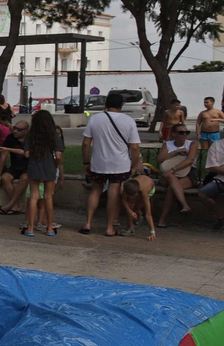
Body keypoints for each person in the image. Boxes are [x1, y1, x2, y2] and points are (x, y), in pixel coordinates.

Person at [80, 91, 142, 236]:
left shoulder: (95, 119)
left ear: (106, 104)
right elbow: (134, 147)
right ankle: (109, 227)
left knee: (95, 190)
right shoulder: (128, 121)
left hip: (98, 163)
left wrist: (86, 162)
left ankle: (88, 223)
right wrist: (134, 165)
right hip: (119, 164)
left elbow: (86, 143)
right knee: (113, 193)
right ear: (122, 105)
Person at [22, 109, 63, 237]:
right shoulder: (54, 136)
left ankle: (30, 228)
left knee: (34, 196)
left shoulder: (30, 136)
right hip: (49, 166)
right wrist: (55, 165)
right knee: (48, 197)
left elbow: (26, 154)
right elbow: (58, 156)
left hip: (34, 166)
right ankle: (49, 228)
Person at [156, 124, 199, 227]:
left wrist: (173, 170)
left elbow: (190, 160)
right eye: (181, 132)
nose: (184, 135)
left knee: (172, 187)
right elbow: (160, 159)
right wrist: (176, 152)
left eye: (186, 132)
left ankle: (162, 218)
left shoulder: (192, 144)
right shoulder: (167, 145)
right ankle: (184, 205)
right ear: (174, 134)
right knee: (172, 178)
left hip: (187, 174)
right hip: (168, 175)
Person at [0, 118, 31, 216]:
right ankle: (15, 206)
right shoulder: (10, 138)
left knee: (24, 178)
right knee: (5, 178)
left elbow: (28, 154)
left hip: (29, 166)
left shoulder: (31, 139)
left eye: (19, 129)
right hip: (15, 166)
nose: (15, 131)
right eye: (14, 128)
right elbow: (3, 156)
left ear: (26, 131)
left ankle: (11, 204)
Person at [117, 176, 158, 240]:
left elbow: (148, 214)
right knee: (130, 204)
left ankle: (138, 213)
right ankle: (130, 227)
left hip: (149, 188)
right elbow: (124, 199)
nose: (131, 198)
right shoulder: (127, 187)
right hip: (137, 186)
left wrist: (152, 231)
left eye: (133, 196)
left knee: (137, 208)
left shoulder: (144, 192)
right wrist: (129, 211)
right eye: (129, 196)